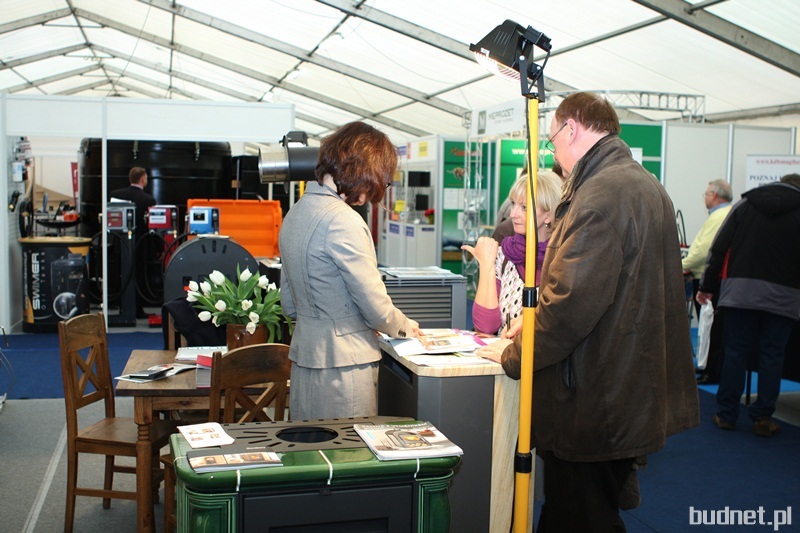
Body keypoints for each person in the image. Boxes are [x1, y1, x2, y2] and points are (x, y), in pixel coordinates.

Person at [501, 92, 699, 531]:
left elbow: (570, 307)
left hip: (594, 397)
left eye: (552, 140)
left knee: (580, 516)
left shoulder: (599, 195)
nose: (553, 154)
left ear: (571, 129)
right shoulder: (645, 185)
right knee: (583, 513)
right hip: (625, 386)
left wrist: (516, 356)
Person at [278, 121, 421, 420]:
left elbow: (289, 304)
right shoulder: (343, 220)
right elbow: (375, 307)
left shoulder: (295, 213)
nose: (374, 191)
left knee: (309, 446)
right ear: (362, 170)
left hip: (306, 360)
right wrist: (406, 327)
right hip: (344, 369)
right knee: (348, 448)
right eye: (379, 180)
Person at [697, 174, 800, 437]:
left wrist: (707, 286)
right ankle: (763, 418)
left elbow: (718, 247)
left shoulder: (745, 204)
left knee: (735, 352)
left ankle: (726, 414)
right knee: (772, 356)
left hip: (740, 292)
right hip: (784, 296)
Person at [463, 170, 562, 336]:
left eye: (524, 207)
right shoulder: (505, 255)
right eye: (513, 204)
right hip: (502, 351)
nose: (512, 214)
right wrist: (487, 266)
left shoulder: (563, 261)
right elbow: (485, 327)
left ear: (548, 215)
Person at [682, 179, 732, 383]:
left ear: (715, 195)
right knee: (711, 327)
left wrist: (681, 265)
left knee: (710, 328)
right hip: (709, 276)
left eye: (706, 194)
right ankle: (708, 367)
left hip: (707, 278)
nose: (705, 198)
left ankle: (711, 370)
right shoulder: (723, 214)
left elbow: (704, 251)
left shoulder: (719, 216)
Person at [109, 166, 156, 318]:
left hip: (120, 244)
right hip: (140, 246)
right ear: (143, 179)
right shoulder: (148, 200)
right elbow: (151, 226)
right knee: (138, 276)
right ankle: (137, 308)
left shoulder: (115, 195)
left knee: (120, 273)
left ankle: (121, 304)